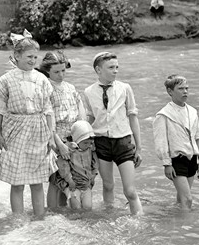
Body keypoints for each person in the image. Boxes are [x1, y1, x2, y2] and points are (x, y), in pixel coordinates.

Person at [0, 31, 56, 217]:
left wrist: (51, 135)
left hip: (38, 130)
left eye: (35, 57)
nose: (33, 60)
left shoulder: (42, 79)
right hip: (15, 129)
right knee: (17, 181)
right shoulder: (6, 80)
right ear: (17, 56)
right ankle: (18, 218)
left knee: (37, 180)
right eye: (29, 56)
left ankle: (39, 217)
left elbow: (48, 109)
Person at [81, 51, 144, 216]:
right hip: (101, 142)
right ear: (98, 70)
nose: (115, 71)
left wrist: (139, 147)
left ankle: (139, 220)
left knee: (130, 191)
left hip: (123, 141)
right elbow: (90, 116)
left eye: (117, 67)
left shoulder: (125, 88)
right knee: (108, 185)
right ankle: (109, 218)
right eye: (111, 67)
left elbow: (133, 117)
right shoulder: (88, 92)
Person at [35, 51, 87, 209]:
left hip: (73, 139)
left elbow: (80, 107)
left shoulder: (70, 87)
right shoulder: (45, 88)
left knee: (70, 177)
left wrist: (82, 129)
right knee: (55, 180)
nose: (61, 74)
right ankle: (52, 212)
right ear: (47, 71)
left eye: (63, 70)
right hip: (55, 140)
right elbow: (46, 120)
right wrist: (59, 144)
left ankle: (63, 209)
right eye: (56, 72)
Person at [153, 74, 199, 209]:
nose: (185, 92)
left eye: (187, 88)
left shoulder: (193, 111)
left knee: (181, 198)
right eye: (181, 89)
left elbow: (198, 136)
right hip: (177, 159)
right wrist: (166, 164)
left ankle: (177, 224)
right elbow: (161, 142)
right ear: (170, 91)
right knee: (188, 199)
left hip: (192, 158)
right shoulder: (163, 115)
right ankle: (186, 226)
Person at [52, 120, 99, 210]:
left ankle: (84, 223)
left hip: (86, 183)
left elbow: (95, 164)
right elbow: (63, 166)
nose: (88, 145)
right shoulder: (68, 150)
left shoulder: (90, 150)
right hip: (72, 184)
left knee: (88, 207)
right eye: (85, 143)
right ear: (77, 139)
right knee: (75, 207)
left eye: (90, 143)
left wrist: (93, 176)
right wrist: (70, 181)